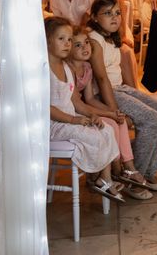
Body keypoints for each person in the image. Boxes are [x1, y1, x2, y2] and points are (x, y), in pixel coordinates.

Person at [87, 0, 157, 190]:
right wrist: (112, 109)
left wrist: (133, 91)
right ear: (93, 17)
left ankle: (148, 172)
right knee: (151, 119)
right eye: (107, 14)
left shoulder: (111, 37)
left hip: (120, 88)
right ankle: (133, 178)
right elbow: (101, 79)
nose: (114, 18)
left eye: (117, 13)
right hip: (105, 92)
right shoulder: (94, 40)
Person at [67, 26, 153, 200]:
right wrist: (109, 115)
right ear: (68, 49)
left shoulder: (87, 68)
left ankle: (128, 167)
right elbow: (76, 105)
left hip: (85, 107)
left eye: (86, 43)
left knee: (118, 121)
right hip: (72, 112)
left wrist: (112, 112)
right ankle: (116, 170)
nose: (85, 48)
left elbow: (90, 99)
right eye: (77, 45)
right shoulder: (68, 69)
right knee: (111, 124)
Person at [45, 16, 124, 203]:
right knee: (93, 135)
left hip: (70, 117)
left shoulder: (66, 67)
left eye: (69, 39)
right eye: (61, 39)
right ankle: (100, 180)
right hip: (52, 124)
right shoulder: (44, 69)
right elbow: (45, 107)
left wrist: (91, 114)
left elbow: (76, 101)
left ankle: (104, 178)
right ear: (47, 40)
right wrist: (74, 120)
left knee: (106, 129)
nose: (67, 44)